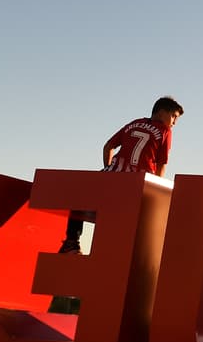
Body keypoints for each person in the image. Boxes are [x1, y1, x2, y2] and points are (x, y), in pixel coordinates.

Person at [58, 96, 185, 254]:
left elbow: (108, 147)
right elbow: (161, 164)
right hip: (139, 182)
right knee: (134, 220)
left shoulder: (133, 123)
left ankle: (72, 241)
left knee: (79, 197)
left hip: (114, 175)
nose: (174, 122)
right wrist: (156, 190)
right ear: (161, 112)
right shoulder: (165, 131)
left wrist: (110, 169)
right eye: (173, 116)